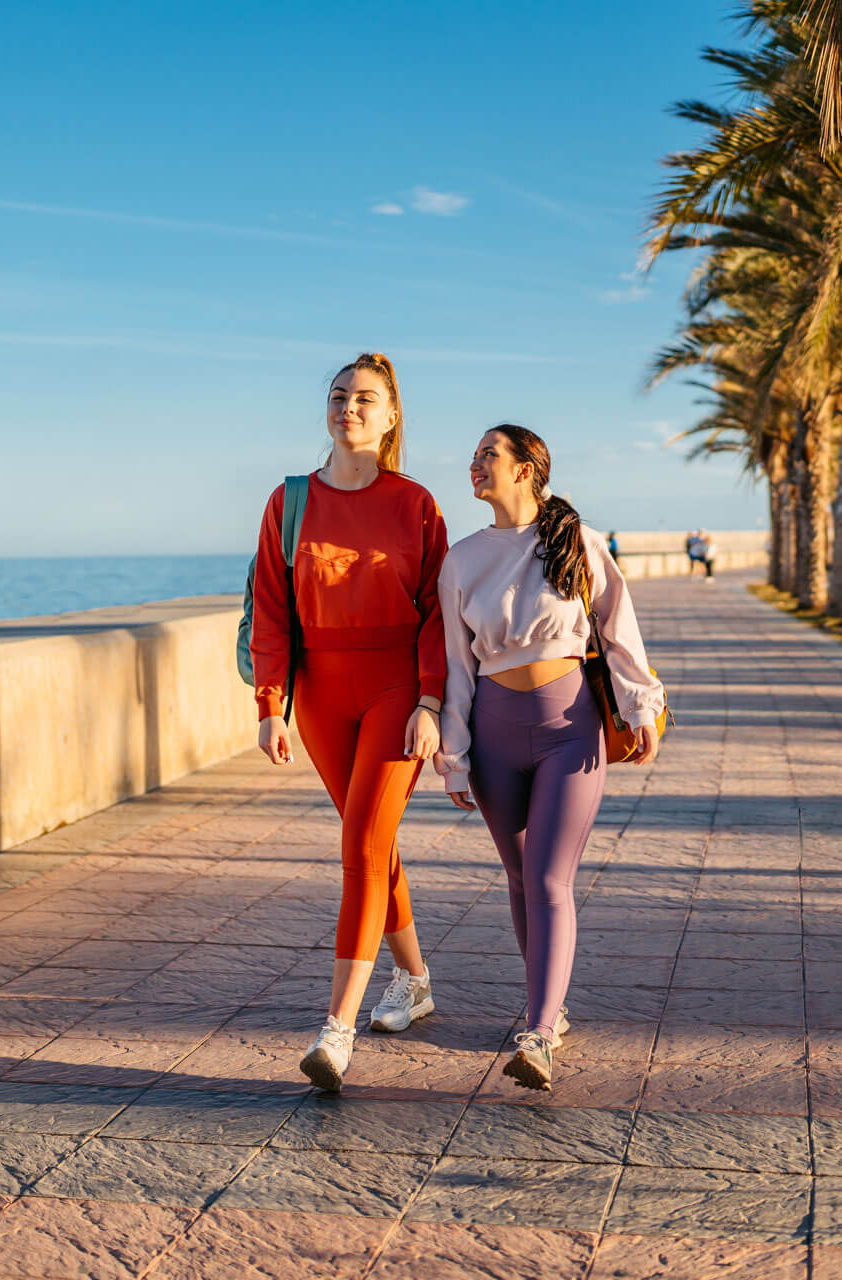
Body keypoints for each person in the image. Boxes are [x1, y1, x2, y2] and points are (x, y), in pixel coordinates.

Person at [436, 425, 665, 1090]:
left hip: (571, 728)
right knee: (518, 876)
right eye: (474, 453)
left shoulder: (577, 542)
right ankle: (551, 1005)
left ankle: (537, 1032)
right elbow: (456, 668)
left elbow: (618, 630)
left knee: (548, 879)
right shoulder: (461, 560)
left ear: (528, 468)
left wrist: (640, 706)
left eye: (489, 454)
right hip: (494, 735)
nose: (474, 463)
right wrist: (455, 755)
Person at [250, 352, 446, 1093]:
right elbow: (271, 604)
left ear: (392, 416)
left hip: (397, 683)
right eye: (339, 397)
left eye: (366, 399)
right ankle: (416, 980)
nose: (349, 408)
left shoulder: (417, 503)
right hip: (320, 690)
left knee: (361, 840)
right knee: (374, 841)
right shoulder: (289, 500)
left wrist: (431, 700)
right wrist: (273, 705)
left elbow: (437, 613)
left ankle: (335, 1031)